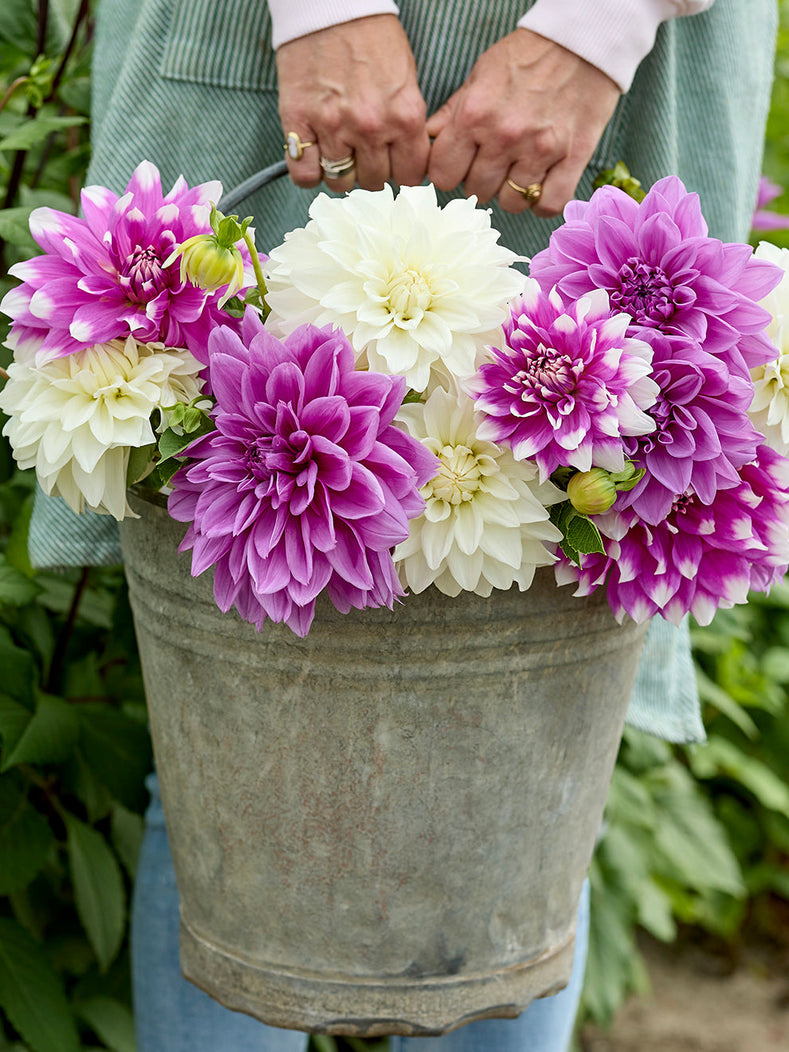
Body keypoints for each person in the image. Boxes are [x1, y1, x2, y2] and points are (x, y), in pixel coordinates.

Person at [26, 1, 777, 1049]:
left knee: (546, 750)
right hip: (266, 31)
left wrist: (600, 23)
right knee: (231, 746)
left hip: (631, 53)